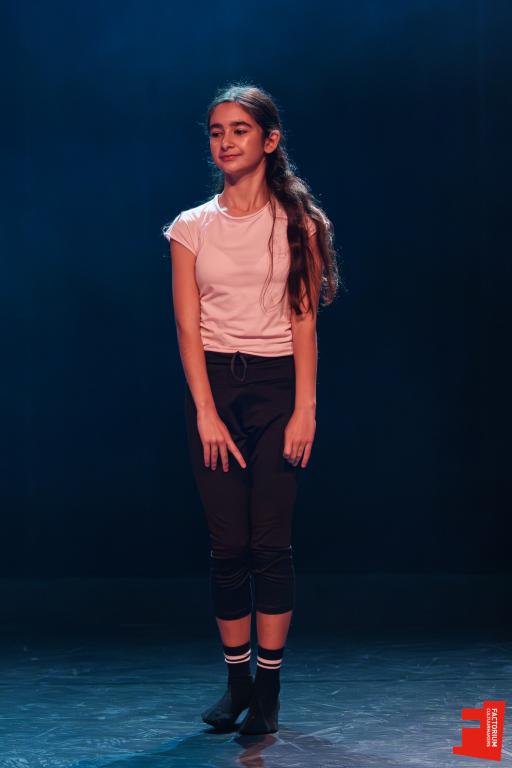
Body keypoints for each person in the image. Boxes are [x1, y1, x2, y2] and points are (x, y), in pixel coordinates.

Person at [162, 82, 339, 735]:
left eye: (239, 129)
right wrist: (205, 412)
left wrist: (305, 409)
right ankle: (237, 682)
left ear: (269, 140)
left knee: (269, 543)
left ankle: (268, 688)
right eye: (216, 131)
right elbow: (187, 327)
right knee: (227, 545)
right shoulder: (190, 227)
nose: (226, 141)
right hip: (214, 387)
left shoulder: (299, 224)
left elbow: (304, 320)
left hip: (277, 388)